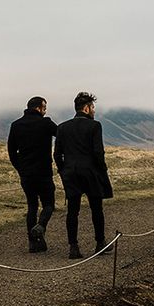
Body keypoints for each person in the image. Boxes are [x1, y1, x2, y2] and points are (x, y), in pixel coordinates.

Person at [54, 91, 114, 259]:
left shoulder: (62, 127)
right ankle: (100, 244)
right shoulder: (95, 126)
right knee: (97, 209)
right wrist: (102, 170)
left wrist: (63, 170)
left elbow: (57, 154)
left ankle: (73, 247)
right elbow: (98, 152)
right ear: (86, 108)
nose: (94, 110)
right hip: (90, 172)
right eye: (93, 107)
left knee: (73, 211)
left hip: (71, 173)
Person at [7, 96, 58, 252]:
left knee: (32, 206)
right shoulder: (46, 123)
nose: (45, 110)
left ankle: (33, 243)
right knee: (48, 204)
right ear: (39, 108)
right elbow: (61, 135)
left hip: (26, 174)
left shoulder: (16, 125)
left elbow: (11, 150)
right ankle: (41, 226)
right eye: (44, 107)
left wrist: (20, 168)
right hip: (43, 172)